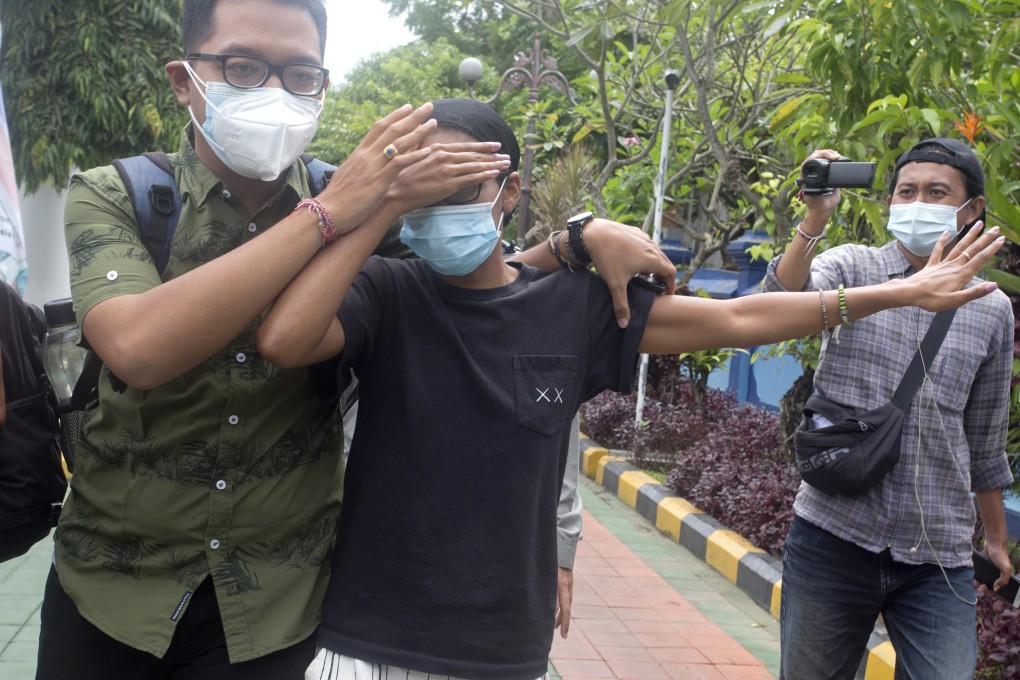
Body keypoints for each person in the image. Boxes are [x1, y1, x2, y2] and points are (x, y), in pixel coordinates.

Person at [252, 100, 1004, 680]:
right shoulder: (387, 291)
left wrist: (898, 295)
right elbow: (285, 341)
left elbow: (741, 316)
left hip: (502, 649)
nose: (434, 205)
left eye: (460, 185)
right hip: (367, 641)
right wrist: (380, 200)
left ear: (508, 191)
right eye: (418, 188)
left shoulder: (575, 305)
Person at [38, 1, 676, 678]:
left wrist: (574, 237)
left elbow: (482, 289)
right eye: (244, 67)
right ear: (183, 78)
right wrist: (333, 214)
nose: (275, 91)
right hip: (111, 586)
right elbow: (138, 350)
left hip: (277, 603)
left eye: (300, 74)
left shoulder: (370, 208)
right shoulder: (120, 196)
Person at [764, 138, 1014, 680]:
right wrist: (815, 215)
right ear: (890, 204)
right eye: (907, 191)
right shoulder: (853, 266)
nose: (918, 201)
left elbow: (984, 438)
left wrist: (995, 538)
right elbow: (778, 300)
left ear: (970, 210)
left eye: (936, 192)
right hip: (833, 536)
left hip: (937, 556)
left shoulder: (991, 307)